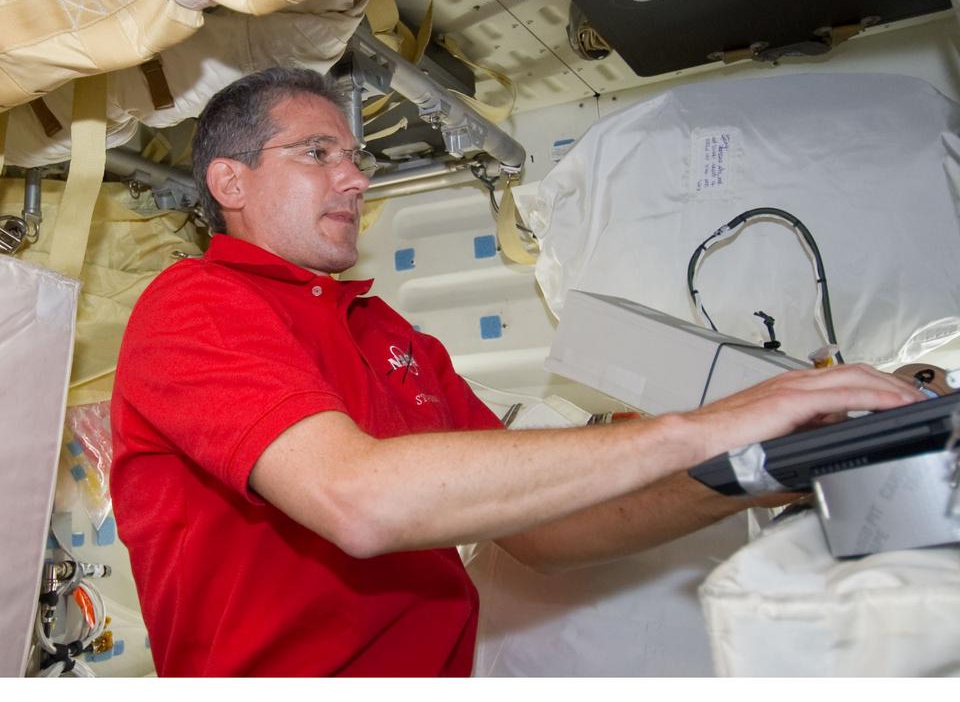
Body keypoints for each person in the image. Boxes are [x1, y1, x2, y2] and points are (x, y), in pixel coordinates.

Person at [108, 67, 919, 677]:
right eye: (319, 153)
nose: (356, 178)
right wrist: (707, 424)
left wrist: (763, 469)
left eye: (356, 158)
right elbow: (358, 501)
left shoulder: (390, 334)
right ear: (229, 181)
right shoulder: (196, 305)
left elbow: (546, 535)